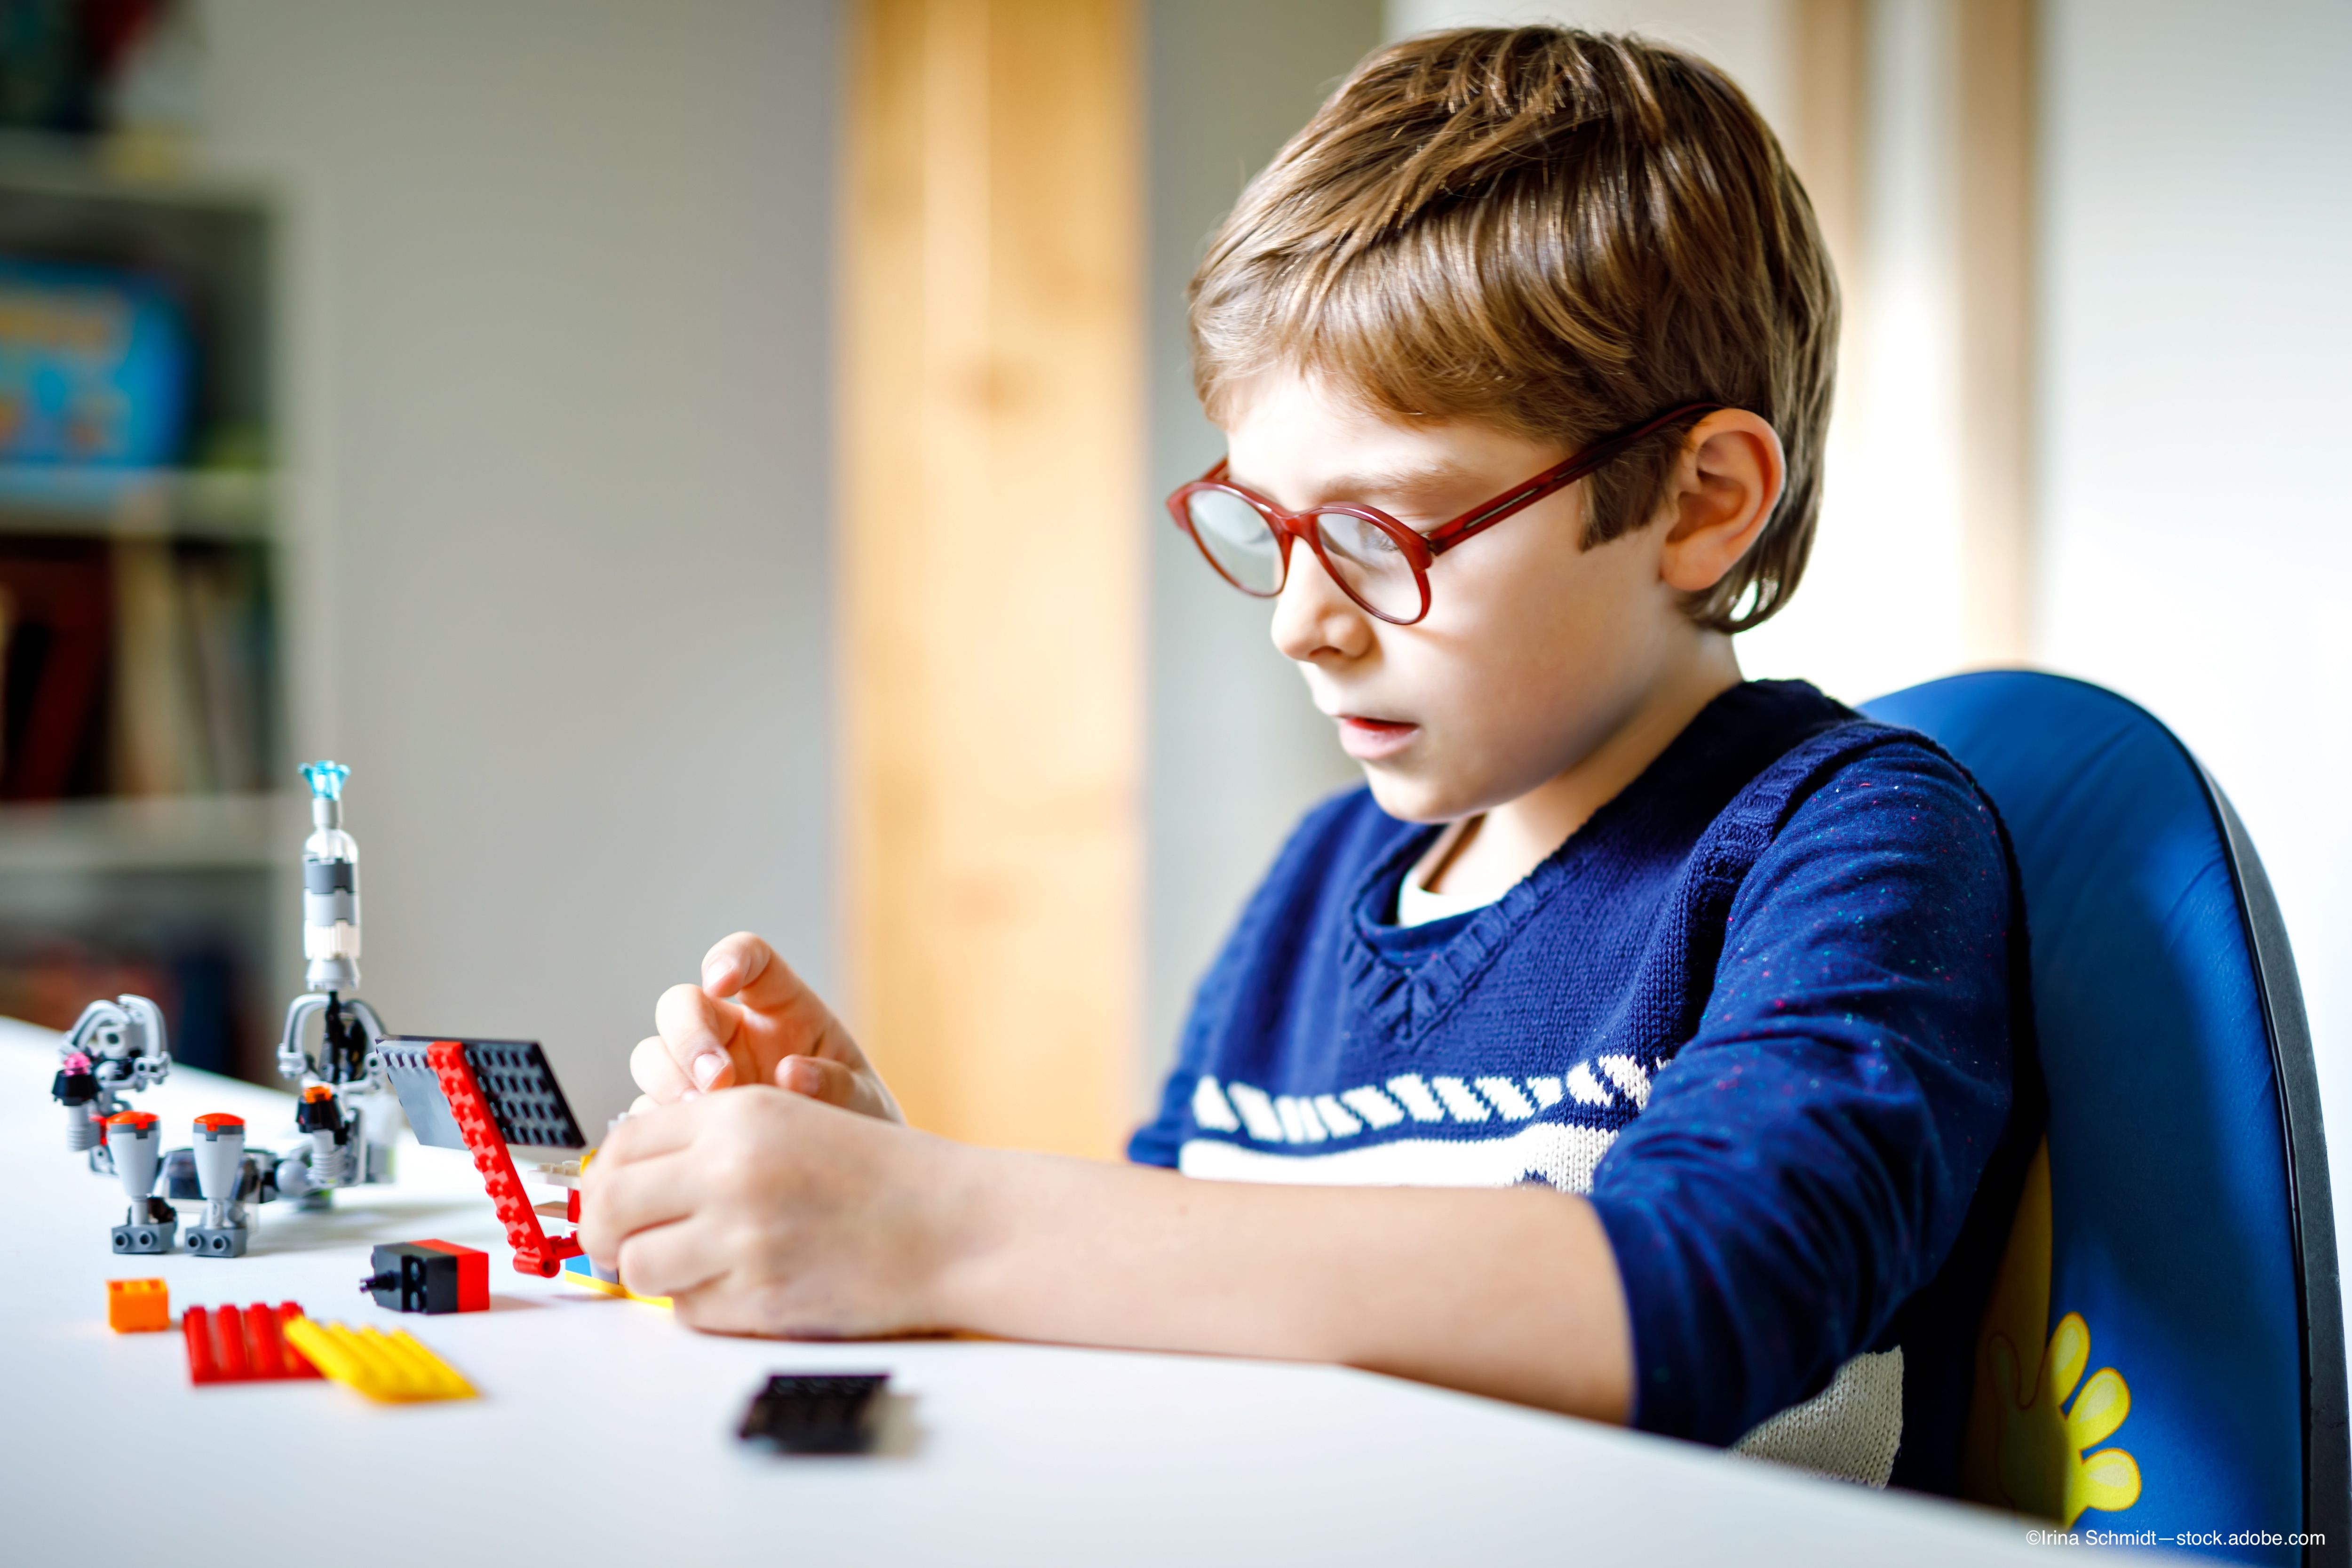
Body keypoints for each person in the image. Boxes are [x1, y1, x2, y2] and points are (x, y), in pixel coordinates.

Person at [579, 24, 2037, 1494]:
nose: (1299, 622)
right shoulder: (1321, 880)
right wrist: (885, 1191)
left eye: (1379, 533)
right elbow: (1177, 1300)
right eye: (1266, 525)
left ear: (1700, 501)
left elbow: (1715, 1289)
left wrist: (944, 1222)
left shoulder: (1846, 842)